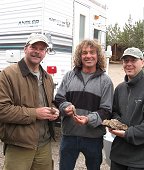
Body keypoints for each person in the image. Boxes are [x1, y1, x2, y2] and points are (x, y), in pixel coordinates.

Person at [0, 33, 59, 170]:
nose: (37, 52)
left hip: (44, 144)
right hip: (19, 145)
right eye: (34, 47)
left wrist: (54, 110)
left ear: (45, 53)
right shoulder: (8, 75)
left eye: (42, 49)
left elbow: (48, 102)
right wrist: (35, 113)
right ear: (25, 49)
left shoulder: (47, 78)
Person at [54, 39, 114, 170]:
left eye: (92, 52)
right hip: (69, 135)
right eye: (84, 53)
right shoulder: (69, 76)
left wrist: (89, 119)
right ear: (79, 56)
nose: (88, 56)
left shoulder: (105, 81)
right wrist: (65, 107)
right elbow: (58, 98)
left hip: (93, 138)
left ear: (98, 56)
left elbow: (107, 110)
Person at [109, 47, 144, 170]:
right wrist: (115, 124)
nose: (129, 64)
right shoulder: (120, 88)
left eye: (133, 60)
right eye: (126, 61)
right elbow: (114, 112)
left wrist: (127, 134)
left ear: (142, 62)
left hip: (142, 159)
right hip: (119, 155)